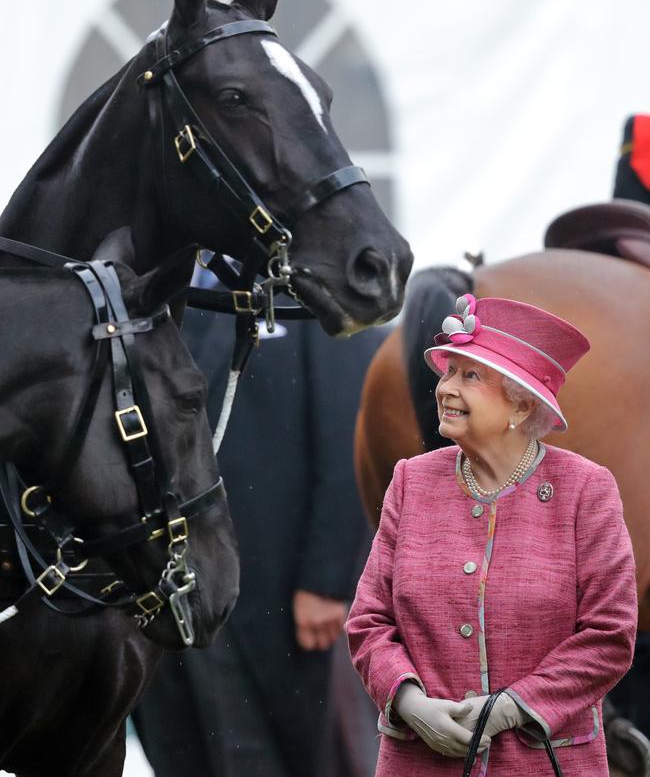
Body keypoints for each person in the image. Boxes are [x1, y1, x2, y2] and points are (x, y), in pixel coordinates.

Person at [346, 293, 638, 775]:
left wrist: (511, 707)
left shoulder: (585, 489)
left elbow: (610, 635)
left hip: (544, 763)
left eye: (470, 376)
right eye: (447, 373)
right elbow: (369, 622)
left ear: (520, 407)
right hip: (418, 762)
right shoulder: (410, 482)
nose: (445, 388)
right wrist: (409, 701)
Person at [134, 302, 383, 777]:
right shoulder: (144, 288)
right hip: (163, 592)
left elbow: (349, 424)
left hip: (286, 591)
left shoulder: (305, 288)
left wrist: (328, 578)